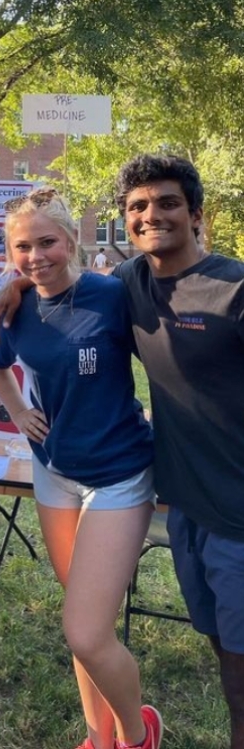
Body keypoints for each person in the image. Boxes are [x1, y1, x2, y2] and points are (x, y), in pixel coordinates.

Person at [0, 187, 162, 749]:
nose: (36, 256)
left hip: (119, 475)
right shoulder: (15, 306)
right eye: (23, 247)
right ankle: (96, 737)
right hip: (54, 472)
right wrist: (18, 411)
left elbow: (167, 359)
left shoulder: (113, 296)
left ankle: (139, 737)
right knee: (85, 626)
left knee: (85, 631)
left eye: (47, 243)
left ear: (73, 241)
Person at [112, 155, 244, 749]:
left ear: (195, 215)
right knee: (219, 639)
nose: (151, 215)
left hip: (240, 513)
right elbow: (62, 289)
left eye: (166, 203)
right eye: (138, 206)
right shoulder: (131, 284)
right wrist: (14, 284)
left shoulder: (235, 289)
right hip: (185, 504)